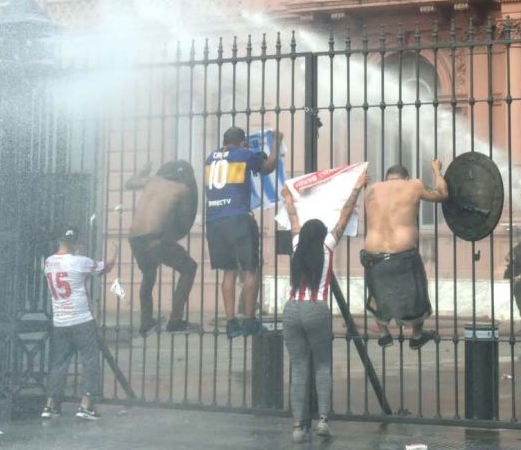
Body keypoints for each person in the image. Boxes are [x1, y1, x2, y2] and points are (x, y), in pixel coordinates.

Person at [281, 173, 367, 443]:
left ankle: (297, 427)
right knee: (321, 366)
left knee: (297, 367)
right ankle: (323, 421)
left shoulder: (297, 246)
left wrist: (287, 198)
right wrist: (356, 188)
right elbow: (343, 217)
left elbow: (294, 218)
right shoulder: (327, 247)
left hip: (291, 309)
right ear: (321, 235)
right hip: (317, 309)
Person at [204, 126, 283, 338]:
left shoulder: (210, 158)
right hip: (238, 217)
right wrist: (275, 144)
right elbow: (268, 167)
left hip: (214, 220)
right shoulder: (243, 154)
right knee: (250, 270)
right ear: (242, 142)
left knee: (228, 271)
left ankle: (231, 323)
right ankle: (249, 320)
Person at [361, 161, 448, 350]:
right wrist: (436, 170)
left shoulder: (371, 190)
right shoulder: (413, 185)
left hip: (373, 254)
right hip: (402, 254)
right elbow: (443, 195)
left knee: (377, 292)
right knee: (416, 291)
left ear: (387, 177)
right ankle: (416, 335)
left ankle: (383, 332)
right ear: (405, 177)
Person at [41, 226, 116, 420]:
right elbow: (104, 267)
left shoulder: (48, 262)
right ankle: (86, 405)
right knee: (89, 361)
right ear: (75, 242)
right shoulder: (80, 261)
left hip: (60, 321)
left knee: (58, 364)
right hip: (82, 320)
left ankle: (51, 405)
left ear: (60, 241)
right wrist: (114, 253)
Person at [125, 160, 199, 337]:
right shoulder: (182, 190)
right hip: (155, 238)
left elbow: (129, 183)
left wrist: (142, 171)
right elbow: (184, 221)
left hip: (135, 238)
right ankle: (175, 320)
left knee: (149, 275)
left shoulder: (152, 182)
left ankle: (146, 321)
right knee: (189, 268)